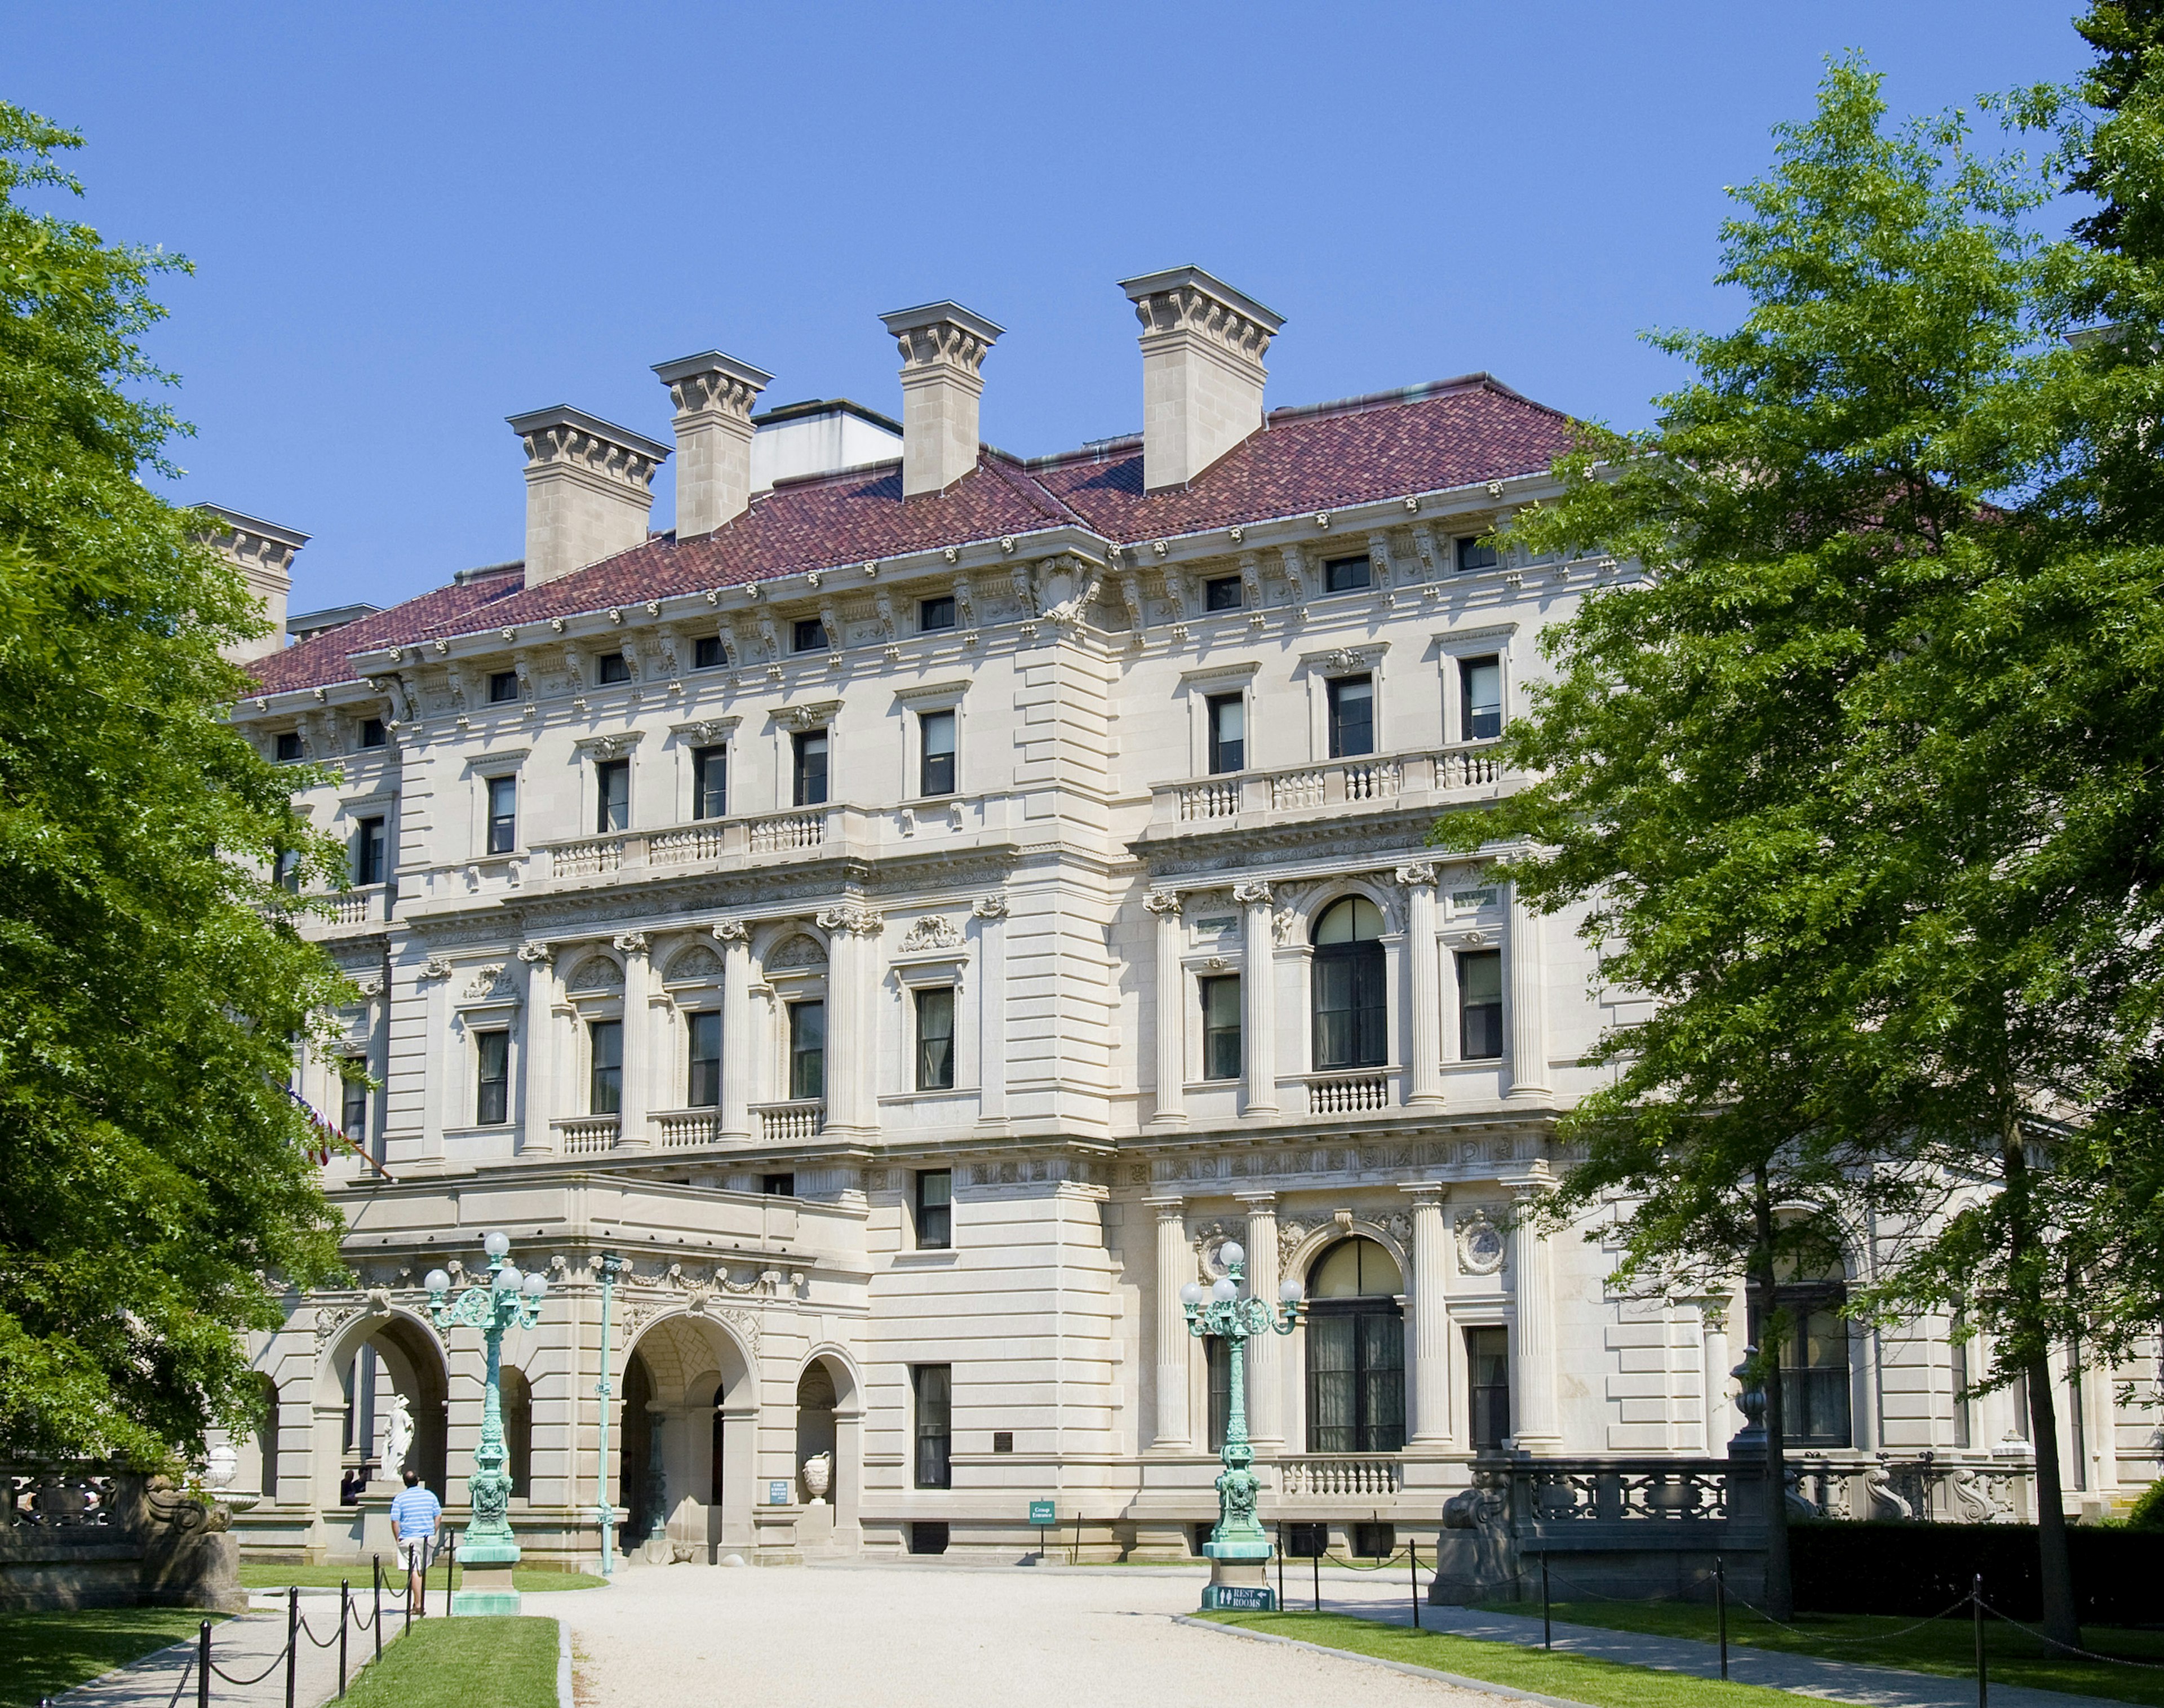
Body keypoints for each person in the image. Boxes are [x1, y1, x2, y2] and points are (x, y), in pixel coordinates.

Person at [387, 1468, 443, 1613]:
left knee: (414, 1570)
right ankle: (417, 1602)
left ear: (405, 1483)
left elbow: (395, 1521)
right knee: (420, 1570)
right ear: (418, 1481)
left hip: (409, 1537)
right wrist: (433, 1532)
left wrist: (397, 1538)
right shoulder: (430, 1496)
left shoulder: (400, 1498)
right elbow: (438, 1516)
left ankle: (418, 1604)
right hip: (427, 1537)